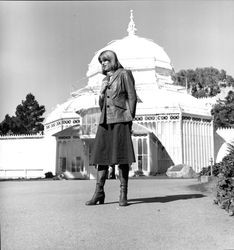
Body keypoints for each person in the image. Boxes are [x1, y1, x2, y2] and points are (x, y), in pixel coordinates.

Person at [85, 50, 137, 206]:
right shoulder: (105, 80)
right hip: (105, 121)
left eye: (106, 60)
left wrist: (130, 118)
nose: (103, 63)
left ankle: (123, 194)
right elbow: (103, 106)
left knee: (122, 157)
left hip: (121, 119)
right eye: (101, 62)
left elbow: (132, 96)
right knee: (101, 157)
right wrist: (101, 94)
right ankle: (99, 193)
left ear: (113, 60)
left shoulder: (124, 74)